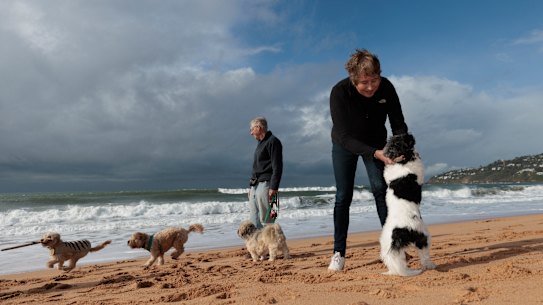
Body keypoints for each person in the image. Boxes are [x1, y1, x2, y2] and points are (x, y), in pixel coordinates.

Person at [328, 49, 409, 271]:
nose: (371, 86)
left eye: (375, 79)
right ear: (354, 80)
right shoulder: (339, 92)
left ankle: (394, 247)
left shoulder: (387, 87)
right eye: (365, 82)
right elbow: (344, 136)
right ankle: (338, 253)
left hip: (377, 143)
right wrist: (374, 153)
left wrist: (401, 147)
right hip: (345, 144)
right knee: (343, 195)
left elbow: (398, 122)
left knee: (380, 190)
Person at [248, 117, 283, 229]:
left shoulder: (273, 141)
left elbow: (277, 166)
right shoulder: (260, 144)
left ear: (259, 128)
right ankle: (258, 245)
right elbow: (256, 168)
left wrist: (274, 187)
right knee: (254, 219)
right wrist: (251, 187)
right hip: (256, 185)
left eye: (252, 129)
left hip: (267, 184)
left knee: (269, 219)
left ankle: (273, 245)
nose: (251, 133)